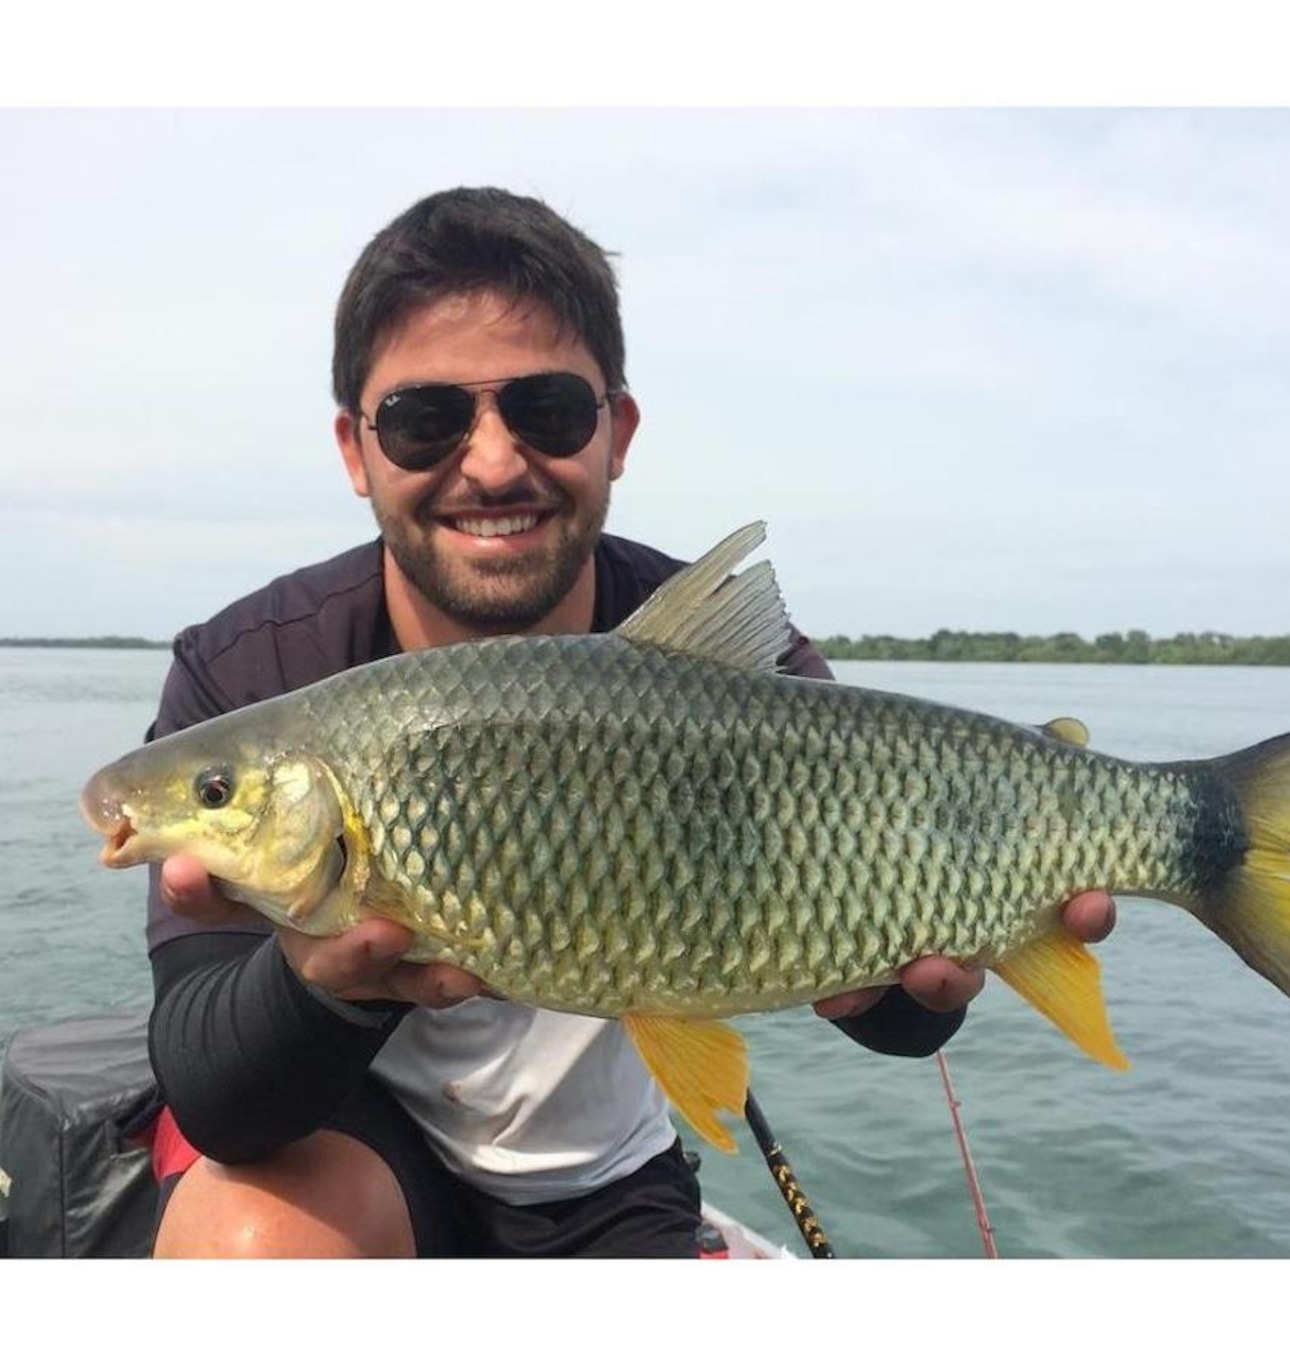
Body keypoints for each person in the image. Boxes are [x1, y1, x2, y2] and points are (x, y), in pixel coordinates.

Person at [143, 187, 1118, 1258]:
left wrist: (911, 980)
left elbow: (906, 1009)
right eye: (428, 419)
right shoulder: (249, 675)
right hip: (356, 1147)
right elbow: (215, 1095)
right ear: (355, 447)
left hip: (607, 1170)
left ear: (616, 430)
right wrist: (320, 977)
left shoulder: (751, 678)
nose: (493, 462)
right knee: (248, 1242)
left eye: (548, 411)